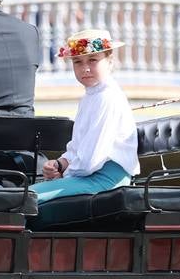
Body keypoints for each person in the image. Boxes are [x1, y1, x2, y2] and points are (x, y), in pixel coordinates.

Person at [35, 30, 140, 203]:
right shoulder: (90, 97)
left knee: (28, 197)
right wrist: (60, 164)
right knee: (27, 194)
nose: (85, 68)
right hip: (89, 175)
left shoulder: (107, 97)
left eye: (93, 60)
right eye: (78, 62)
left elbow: (91, 160)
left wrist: (64, 173)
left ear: (110, 62)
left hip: (105, 180)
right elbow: (78, 148)